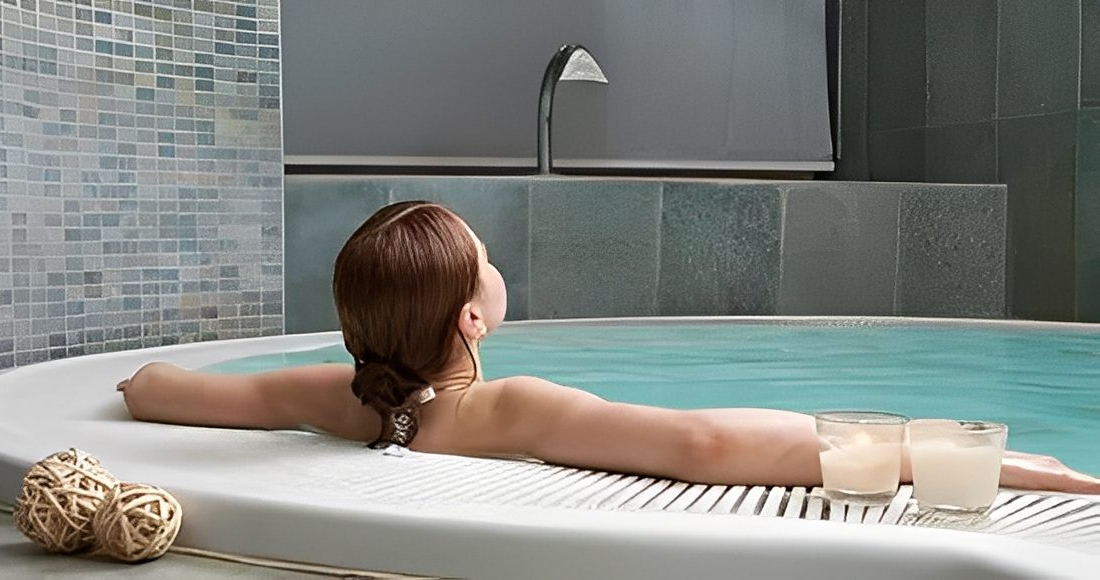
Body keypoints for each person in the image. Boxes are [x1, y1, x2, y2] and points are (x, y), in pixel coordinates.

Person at [119, 201, 1100, 492]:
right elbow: (704, 447)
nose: (495, 275)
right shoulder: (510, 407)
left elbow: (158, 388)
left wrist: (142, 378)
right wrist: (951, 453)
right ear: (472, 317)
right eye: (486, 264)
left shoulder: (348, 397)